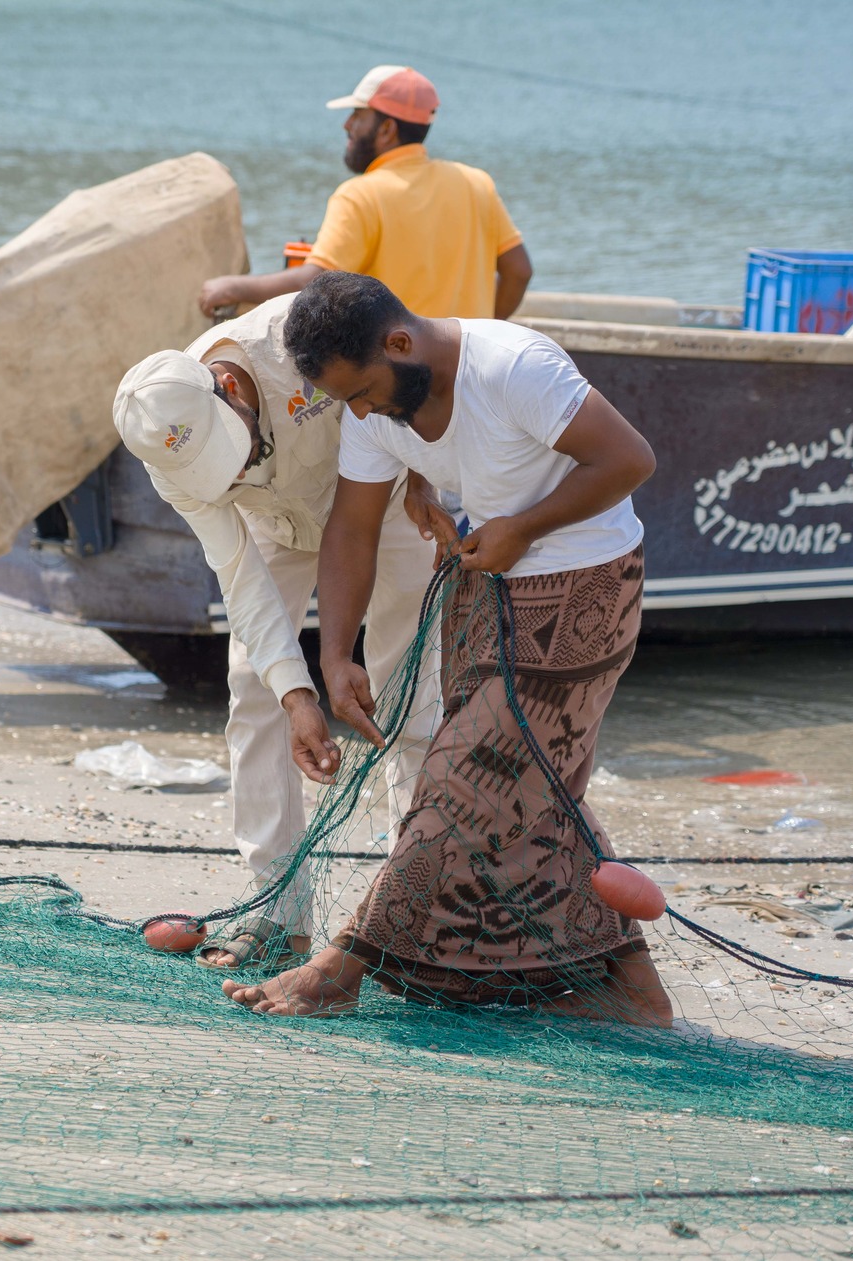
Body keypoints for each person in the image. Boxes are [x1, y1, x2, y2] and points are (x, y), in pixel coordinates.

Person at [222, 271, 672, 1026]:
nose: (360, 411)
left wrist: (522, 527)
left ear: (400, 342)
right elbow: (352, 528)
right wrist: (336, 655)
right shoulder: (372, 407)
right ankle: (629, 986)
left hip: (585, 589)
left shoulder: (513, 366)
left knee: (463, 781)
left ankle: (342, 966)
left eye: (363, 391)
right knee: (532, 792)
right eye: (346, 400)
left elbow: (630, 459)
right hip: (484, 591)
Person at [112, 296, 442, 971]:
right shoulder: (163, 453)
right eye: (219, 473)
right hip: (277, 524)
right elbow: (239, 575)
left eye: (232, 453)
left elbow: (408, 377)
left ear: (229, 388)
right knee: (255, 688)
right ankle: (278, 913)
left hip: (384, 501)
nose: (233, 473)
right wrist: (298, 695)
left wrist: (426, 477)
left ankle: (413, 910)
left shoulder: (302, 335)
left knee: (408, 686)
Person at [196, 65, 533, 321]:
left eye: (358, 115)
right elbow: (519, 271)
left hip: (398, 379)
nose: (347, 125)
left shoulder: (361, 195)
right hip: (466, 372)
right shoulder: (475, 183)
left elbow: (315, 282)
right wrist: (485, 327)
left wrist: (231, 287)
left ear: (387, 129)